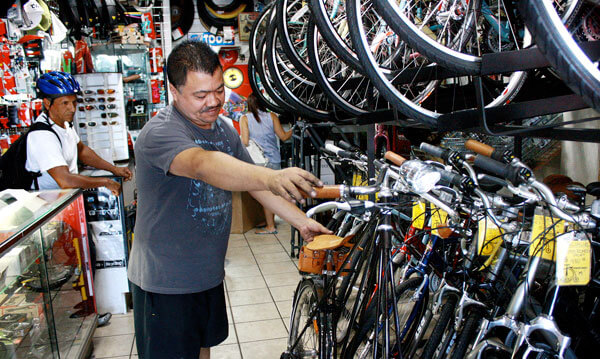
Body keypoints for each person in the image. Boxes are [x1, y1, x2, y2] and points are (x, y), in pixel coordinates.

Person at [128, 40, 330, 359]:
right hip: (165, 282)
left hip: (206, 275)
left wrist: (301, 221)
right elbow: (202, 165)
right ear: (173, 90)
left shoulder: (223, 129)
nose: (214, 102)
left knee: (202, 350)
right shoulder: (160, 132)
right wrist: (271, 175)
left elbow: (253, 184)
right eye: (200, 95)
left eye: (219, 89)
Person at [27, 71, 133, 327]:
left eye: (74, 102)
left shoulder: (63, 127)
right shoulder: (40, 135)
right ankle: (63, 320)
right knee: (60, 267)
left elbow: (82, 151)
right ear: (46, 103)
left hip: (64, 208)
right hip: (44, 212)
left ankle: (80, 315)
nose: (72, 108)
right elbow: (65, 178)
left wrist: (113, 168)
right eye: (64, 103)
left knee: (79, 259)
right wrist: (103, 181)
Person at [240, 93, 292, 234]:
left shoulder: (244, 118)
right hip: (274, 159)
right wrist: (295, 127)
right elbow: (283, 137)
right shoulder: (272, 116)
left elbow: (244, 141)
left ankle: (270, 226)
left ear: (249, 104)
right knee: (272, 192)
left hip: (258, 162)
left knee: (264, 193)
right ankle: (269, 220)